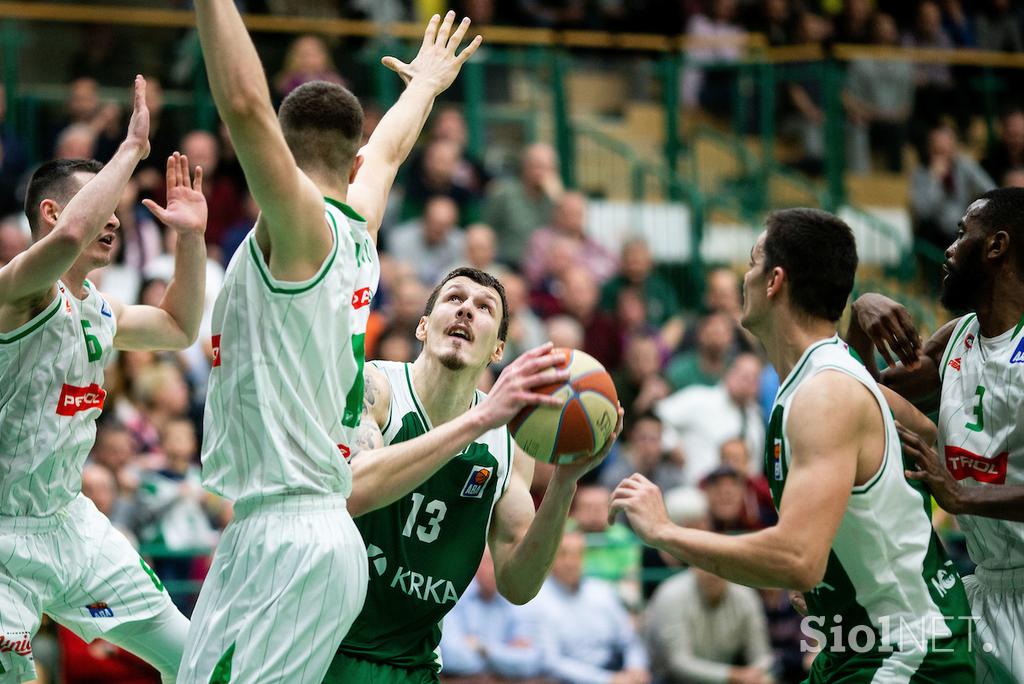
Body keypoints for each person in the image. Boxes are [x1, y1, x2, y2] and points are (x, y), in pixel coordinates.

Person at [184, 7, 567, 682]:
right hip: (292, 532)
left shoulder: (299, 232)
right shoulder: (358, 231)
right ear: (349, 159)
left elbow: (245, 102)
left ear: (277, 155)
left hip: (291, 528)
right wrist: (423, 86)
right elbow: (387, 155)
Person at [610, 208, 975, 682]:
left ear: (774, 281)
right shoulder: (822, 379)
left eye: (751, 262)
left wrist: (665, 532)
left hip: (905, 656)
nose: (744, 277)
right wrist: (839, 572)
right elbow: (922, 440)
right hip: (857, 647)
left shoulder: (826, 393)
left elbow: (797, 559)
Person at [0, 76, 207, 682]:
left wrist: (190, 239)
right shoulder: (16, 291)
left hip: (72, 524)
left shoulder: (98, 308)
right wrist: (131, 150)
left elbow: (176, 324)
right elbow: (69, 238)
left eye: (118, 208)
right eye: (102, 205)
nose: (114, 219)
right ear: (51, 210)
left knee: (196, 660)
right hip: (2, 534)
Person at [324, 267, 622, 683]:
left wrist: (565, 483)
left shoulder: (507, 442)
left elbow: (519, 585)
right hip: (323, 645)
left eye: (484, 308)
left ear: (498, 350)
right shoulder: (376, 386)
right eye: (454, 299)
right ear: (423, 327)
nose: (466, 310)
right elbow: (355, 490)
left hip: (413, 664)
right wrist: (481, 418)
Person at [847, 188, 1024, 683]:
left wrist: (963, 494)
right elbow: (856, 400)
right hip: (985, 589)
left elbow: (960, 494)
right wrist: (861, 316)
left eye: (962, 232)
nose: (949, 247)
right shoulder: (955, 339)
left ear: (996, 246)